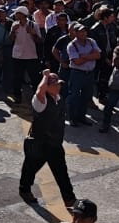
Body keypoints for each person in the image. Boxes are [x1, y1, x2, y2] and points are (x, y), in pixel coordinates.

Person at [18, 71, 76, 206]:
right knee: (30, 168)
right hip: (40, 144)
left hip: (54, 144)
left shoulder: (58, 98)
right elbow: (39, 91)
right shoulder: (40, 101)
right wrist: (45, 76)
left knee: (62, 172)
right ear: (47, 86)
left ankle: (70, 199)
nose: (58, 87)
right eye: (54, 85)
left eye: (59, 84)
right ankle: (24, 190)